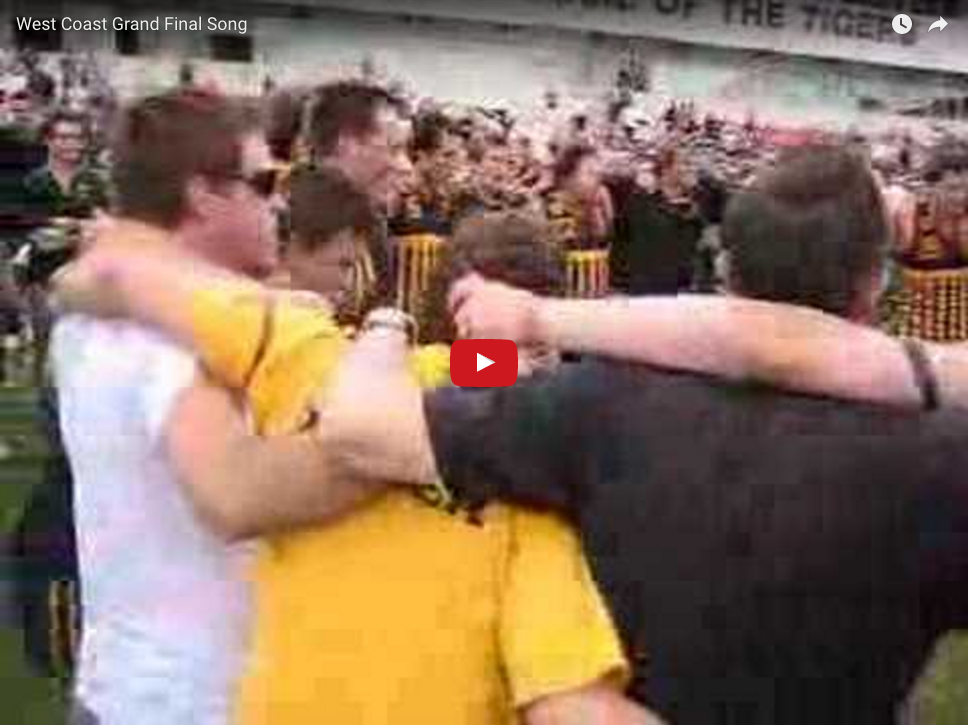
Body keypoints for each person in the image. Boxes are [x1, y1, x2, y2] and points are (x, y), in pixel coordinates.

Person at [303, 144, 968, 724]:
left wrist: (387, 328)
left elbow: (368, 420)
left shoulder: (593, 399)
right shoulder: (941, 457)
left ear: (726, 269)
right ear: (876, 281)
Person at [58, 204, 659, 724]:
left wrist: (379, 326)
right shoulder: (526, 470)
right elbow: (566, 700)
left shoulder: (311, 353)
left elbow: (110, 278)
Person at [50, 88, 287, 725]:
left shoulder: (110, 303)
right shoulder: (183, 334)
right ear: (203, 194)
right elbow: (235, 498)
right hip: (191, 699)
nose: (280, 202)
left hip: (125, 684)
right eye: (265, 183)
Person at [303, 80, 414, 302]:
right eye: (394, 149)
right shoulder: (285, 232)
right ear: (347, 146)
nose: (406, 166)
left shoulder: (372, 224)